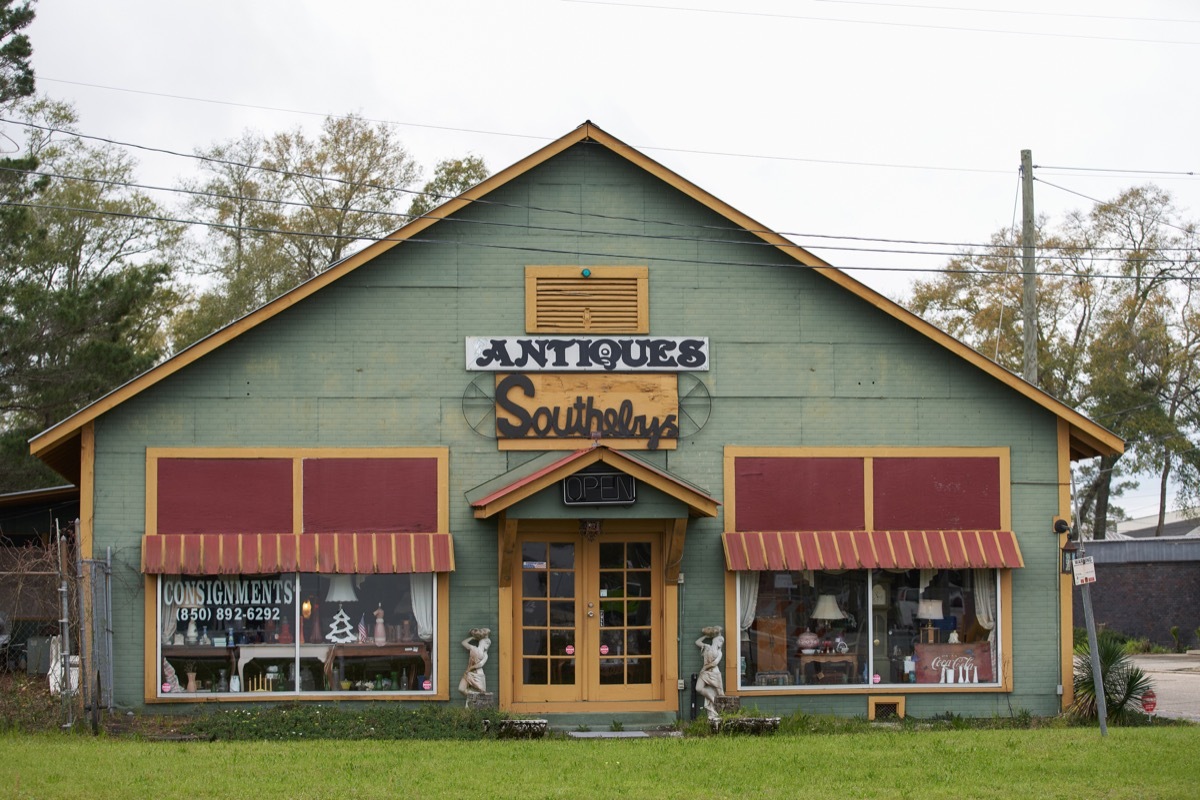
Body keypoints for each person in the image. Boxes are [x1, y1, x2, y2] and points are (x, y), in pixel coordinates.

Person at [695, 626, 725, 720]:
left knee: (720, 693)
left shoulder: (719, 653)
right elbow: (697, 642)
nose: (721, 643)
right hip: (705, 673)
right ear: (715, 640)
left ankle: (723, 713)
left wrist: (704, 668)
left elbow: (715, 663)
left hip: (714, 673)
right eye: (720, 640)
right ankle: (713, 700)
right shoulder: (707, 647)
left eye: (722, 641)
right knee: (698, 688)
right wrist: (706, 636)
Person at [459, 628, 491, 703]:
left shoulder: (485, 655)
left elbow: (480, 664)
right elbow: (463, 643)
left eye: (488, 643)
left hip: (477, 674)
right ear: (480, 642)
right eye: (485, 642)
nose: (486, 645)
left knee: (481, 695)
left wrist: (470, 668)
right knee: (461, 689)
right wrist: (473, 638)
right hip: (469, 672)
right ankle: (473, 697)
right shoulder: (473, 648)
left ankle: (472, 701)